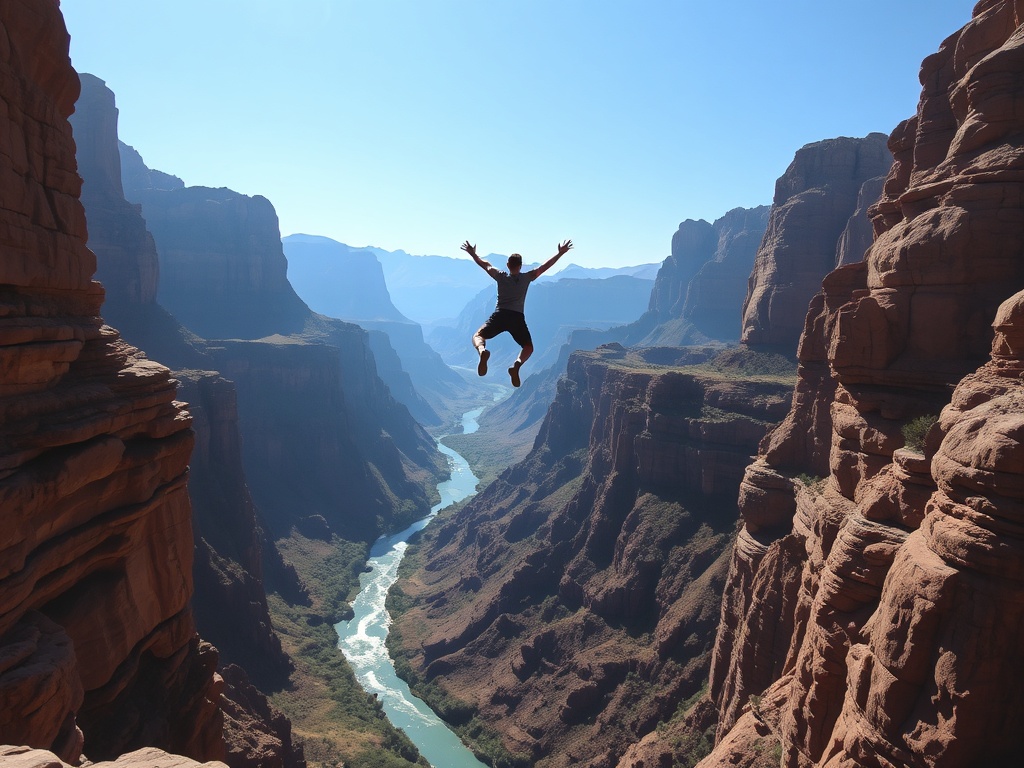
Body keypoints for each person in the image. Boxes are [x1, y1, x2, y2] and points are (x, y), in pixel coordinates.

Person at [461, 239, 573, 387]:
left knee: (478, 336)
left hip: (500, 315)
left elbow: (485, 266)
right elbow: (544, 267)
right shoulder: (527, 277)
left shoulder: (500, 276)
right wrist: (560, 253)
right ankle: (517, 365)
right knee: (528, 347)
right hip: (517, 318)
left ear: (508, 265)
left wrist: (473, 254)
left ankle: (482, 351)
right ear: (520, 266)